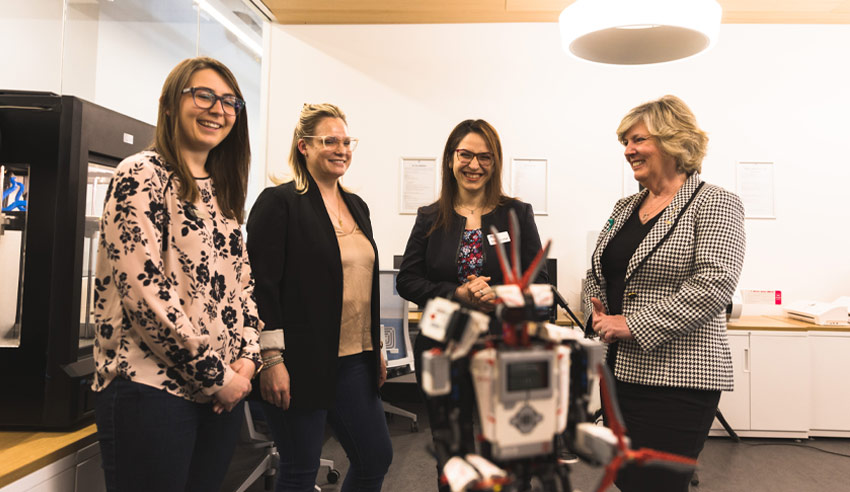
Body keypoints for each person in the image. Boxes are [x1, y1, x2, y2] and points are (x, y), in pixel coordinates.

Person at [92, 57, 260, 492]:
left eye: (229, 101)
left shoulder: (222, 190)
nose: (217, 109)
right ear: (170, 104)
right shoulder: (140, 174)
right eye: (203, 95)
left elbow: (240, 287)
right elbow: (145, 294)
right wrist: (218, 377)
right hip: (153, 391)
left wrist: (248, 357)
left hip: (221, 392)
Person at [584, 95, 746, 492]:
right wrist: (597, 317)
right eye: (624, 142)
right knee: (625, 477)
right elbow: (595, 270)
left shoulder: (715, 202)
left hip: (679, 377)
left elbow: (714, 283)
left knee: (657, 484)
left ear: (674, 140)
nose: (628, 150)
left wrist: (632, 324)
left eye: (637, 139)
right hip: (619, 372)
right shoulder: (624, 207)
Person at [246, 103, 392, 492]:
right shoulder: (279, 203)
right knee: (299, 468)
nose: (341, 149)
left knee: (375, 457)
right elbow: (262, 286)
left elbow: (361, 284)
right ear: (303, 146)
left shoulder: (357, 206)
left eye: (346, 141)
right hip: (299, 360)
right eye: (329, 140)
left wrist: (374, 344)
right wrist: (271, 359)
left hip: (356, 360)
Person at [396, 119, 547, 489]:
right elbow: (407, 280)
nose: (474, 165)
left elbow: (540, 285)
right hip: (443, 347)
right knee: (452, 452)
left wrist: (501, 295)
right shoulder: (431, 217)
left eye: (485, 157)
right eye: (466, 154)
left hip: (505, 348)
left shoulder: (517, 214)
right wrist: (456, 293)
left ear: (495, 163)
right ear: (451, 159)